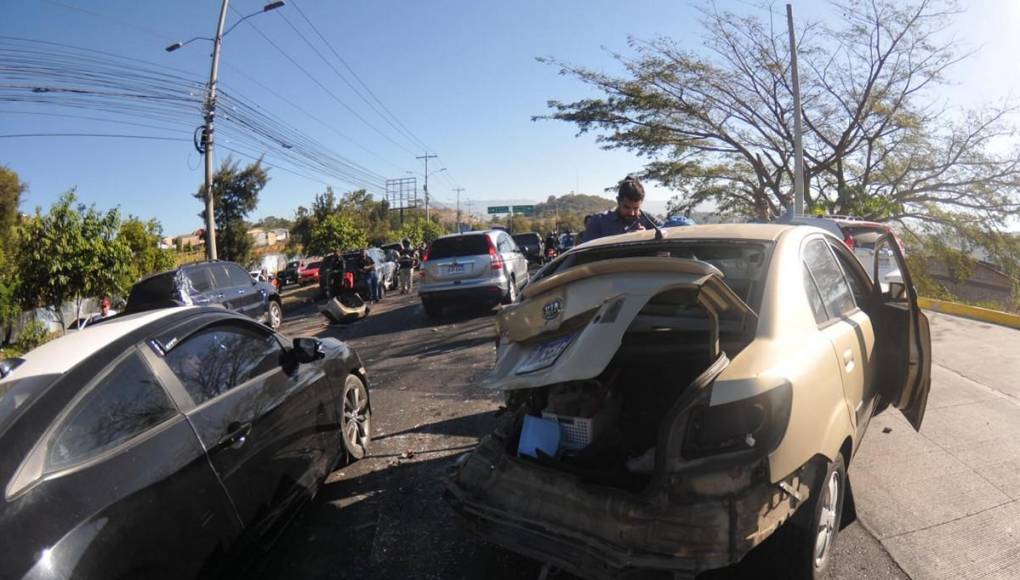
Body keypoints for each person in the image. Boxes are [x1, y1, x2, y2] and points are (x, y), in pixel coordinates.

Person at [583, 175, 654, 242]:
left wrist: (647, 235)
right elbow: (587, 251)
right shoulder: (599, 222)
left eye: (636, 208)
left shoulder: (648, 220)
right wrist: (628, 238)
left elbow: (664, 232)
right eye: (626, 207)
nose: (631, 213)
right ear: (618, 201)